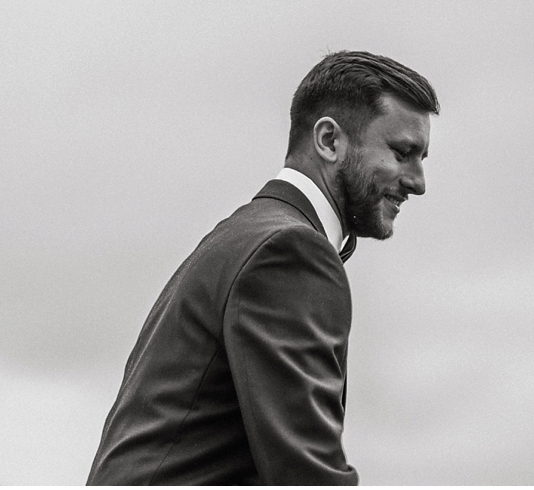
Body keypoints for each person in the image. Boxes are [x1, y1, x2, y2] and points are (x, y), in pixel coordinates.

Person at [86, 50, 439, 485]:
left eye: (423, 159)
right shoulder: (290, 252)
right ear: (329, 140)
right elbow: (305, 476)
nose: (418, 182)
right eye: (403, 153)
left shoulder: (246, 236)